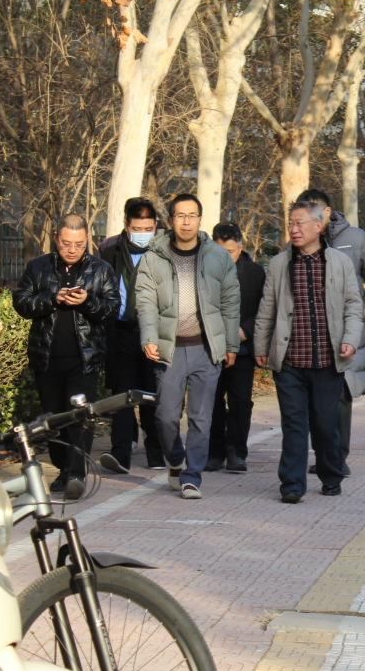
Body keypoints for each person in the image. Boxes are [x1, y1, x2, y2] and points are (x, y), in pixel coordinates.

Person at [253, 201, 364, 502]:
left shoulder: (339, 262)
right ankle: (292, 484)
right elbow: (267, 308)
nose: (294, 228)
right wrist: (261, 346)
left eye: (299, 222)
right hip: (290, 360)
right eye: (291, 222)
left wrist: (350, 339)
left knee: (325, 425)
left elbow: (354, 306)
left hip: (328, 360)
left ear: (318, 226)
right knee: (294, 425)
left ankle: (331, 474)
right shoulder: (279, 264)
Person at [136, 193, 241, 500]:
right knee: (165, 416)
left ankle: (192, 475)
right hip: (169, 349)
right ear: (171, 220)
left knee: (201, 418)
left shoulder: (217, 257)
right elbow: (145, 302)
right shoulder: (153, 257)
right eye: (180, 215)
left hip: (206, 350)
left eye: (192, 215)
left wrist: (230, 343)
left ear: (199, 219)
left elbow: (230, 302)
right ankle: (175, 458)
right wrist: (149, 338)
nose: (186, 222)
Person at [294, 189, 365, 476]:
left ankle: (337, 458)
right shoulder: (297, 240)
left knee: (342, 396)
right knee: (315, 400)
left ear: (327, 211)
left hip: (345, 330)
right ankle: (323, 455)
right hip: (310, 333)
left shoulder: (356, 239)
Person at [14, 213, 119, 499]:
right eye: (66, 243)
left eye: (79, 244)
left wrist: (87, 301)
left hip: (84, 358)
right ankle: (63, 469)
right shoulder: (38, 267)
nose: (72, 249)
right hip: (47, 357)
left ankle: (76, 473)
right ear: (56, 239)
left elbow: (111, 308)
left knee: (79, 417)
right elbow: (21, 302)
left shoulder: (101, 270)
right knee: (54, 418)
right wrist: (52, 299)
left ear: (87, 241)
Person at [98, 197, 164, 473]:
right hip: (120, 331)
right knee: (123, 394)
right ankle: (121, 453)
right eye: (137, 228)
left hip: (155, 332)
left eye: (148, 228)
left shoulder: (165, 249)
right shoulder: (109, 249)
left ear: (156, 225)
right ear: (127, 225)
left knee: (152, 393)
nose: (143, 233)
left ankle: (156, 452)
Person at [207, 223, 266, 472]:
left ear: (240, 248)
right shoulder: (204, 271)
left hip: (242, 348)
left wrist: (245, 331)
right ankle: (214, 451)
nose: (224, 258)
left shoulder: (255, 273)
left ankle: (237, 451)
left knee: (240, 401)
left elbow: (265, 308)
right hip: (212, 347)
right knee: (212, 401)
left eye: (229, 252)